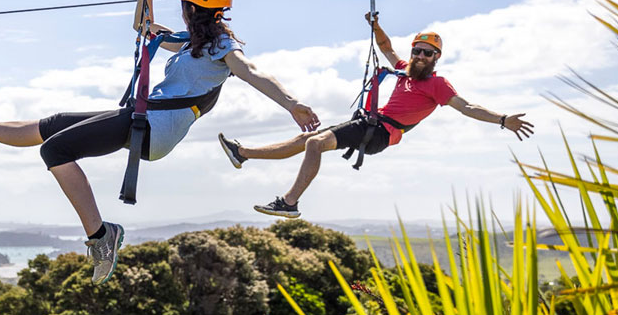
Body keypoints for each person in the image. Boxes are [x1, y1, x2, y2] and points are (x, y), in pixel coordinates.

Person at [0, 0, 319, 285]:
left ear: (189, 7)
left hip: (153, 127)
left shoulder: (222, 44)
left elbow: (252, 72)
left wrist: (291, 104)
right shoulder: (190, 42)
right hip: (146, 120)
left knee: (54, 150)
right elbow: (142, 24)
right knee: (52, 126)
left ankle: (102, 237)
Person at [218, 13, 535, 219]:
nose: (420, 56)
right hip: (369, 123)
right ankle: (242, 153)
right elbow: (386, 48)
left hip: (380, 132)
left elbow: (467, 107)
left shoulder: (437, 84)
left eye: (427, 53)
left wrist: (503, 119)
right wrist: (375, 25)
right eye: (417, 51)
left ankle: (289, 203)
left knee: (315, 145)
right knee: (307, 139)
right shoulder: (405, 70)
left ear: (437, 58)